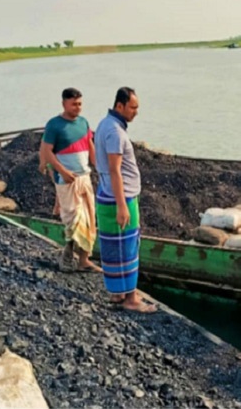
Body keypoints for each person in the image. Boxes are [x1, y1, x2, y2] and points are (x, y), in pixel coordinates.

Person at [94, 86, 156, 313]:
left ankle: (117, 293)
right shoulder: (115, 133)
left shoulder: (104, 124)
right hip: (119, 197)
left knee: (112, 246)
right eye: (133, 107)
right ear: (119, 105)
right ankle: (131, 298)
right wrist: (122, 205)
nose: (136, 112)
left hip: (107, 193)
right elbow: (114, 170)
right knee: (128, 247)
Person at [39, 87, 100, 273]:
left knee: (89, 220)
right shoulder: (54, 125)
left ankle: (83, 260)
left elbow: (90, 146)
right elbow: (47, 151)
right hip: (66, 180)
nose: (77, 107)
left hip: (84, 177)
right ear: (64, 103)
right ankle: (67, 255)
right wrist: (62, 171)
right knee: (74, 219)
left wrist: (100, 168)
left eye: (80, 104)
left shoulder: (83, 123)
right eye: (74, 104)